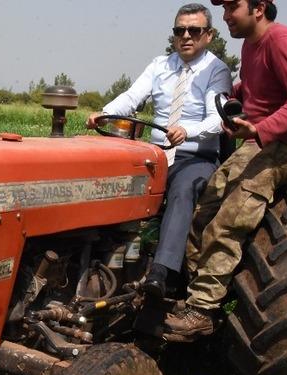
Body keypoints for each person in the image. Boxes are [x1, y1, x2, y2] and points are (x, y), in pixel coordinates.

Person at [163, 0, 287, 341]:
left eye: (233, 6)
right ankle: (191, 295)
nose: (226, 15)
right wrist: (227, 99)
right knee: (204, 208)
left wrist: (260, 130)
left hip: (284, 145)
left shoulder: (283, 40)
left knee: (230, 219)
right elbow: (249, 90)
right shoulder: (250, 46)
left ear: (259, 8)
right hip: (253, 144)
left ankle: (202, 310)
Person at [86, 3, 232, 300]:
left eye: (194, 30)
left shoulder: (216, 70)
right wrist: (104, 113)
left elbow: (219, 118)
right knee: (109, 180)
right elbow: (132, 97)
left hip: (195, 156)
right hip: (155, 153)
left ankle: (161, 273)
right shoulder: (159, 66)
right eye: (180, 30)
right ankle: (100, 259)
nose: (186, 36)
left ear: (209, 35)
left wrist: (188, 131)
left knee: (182, 190)